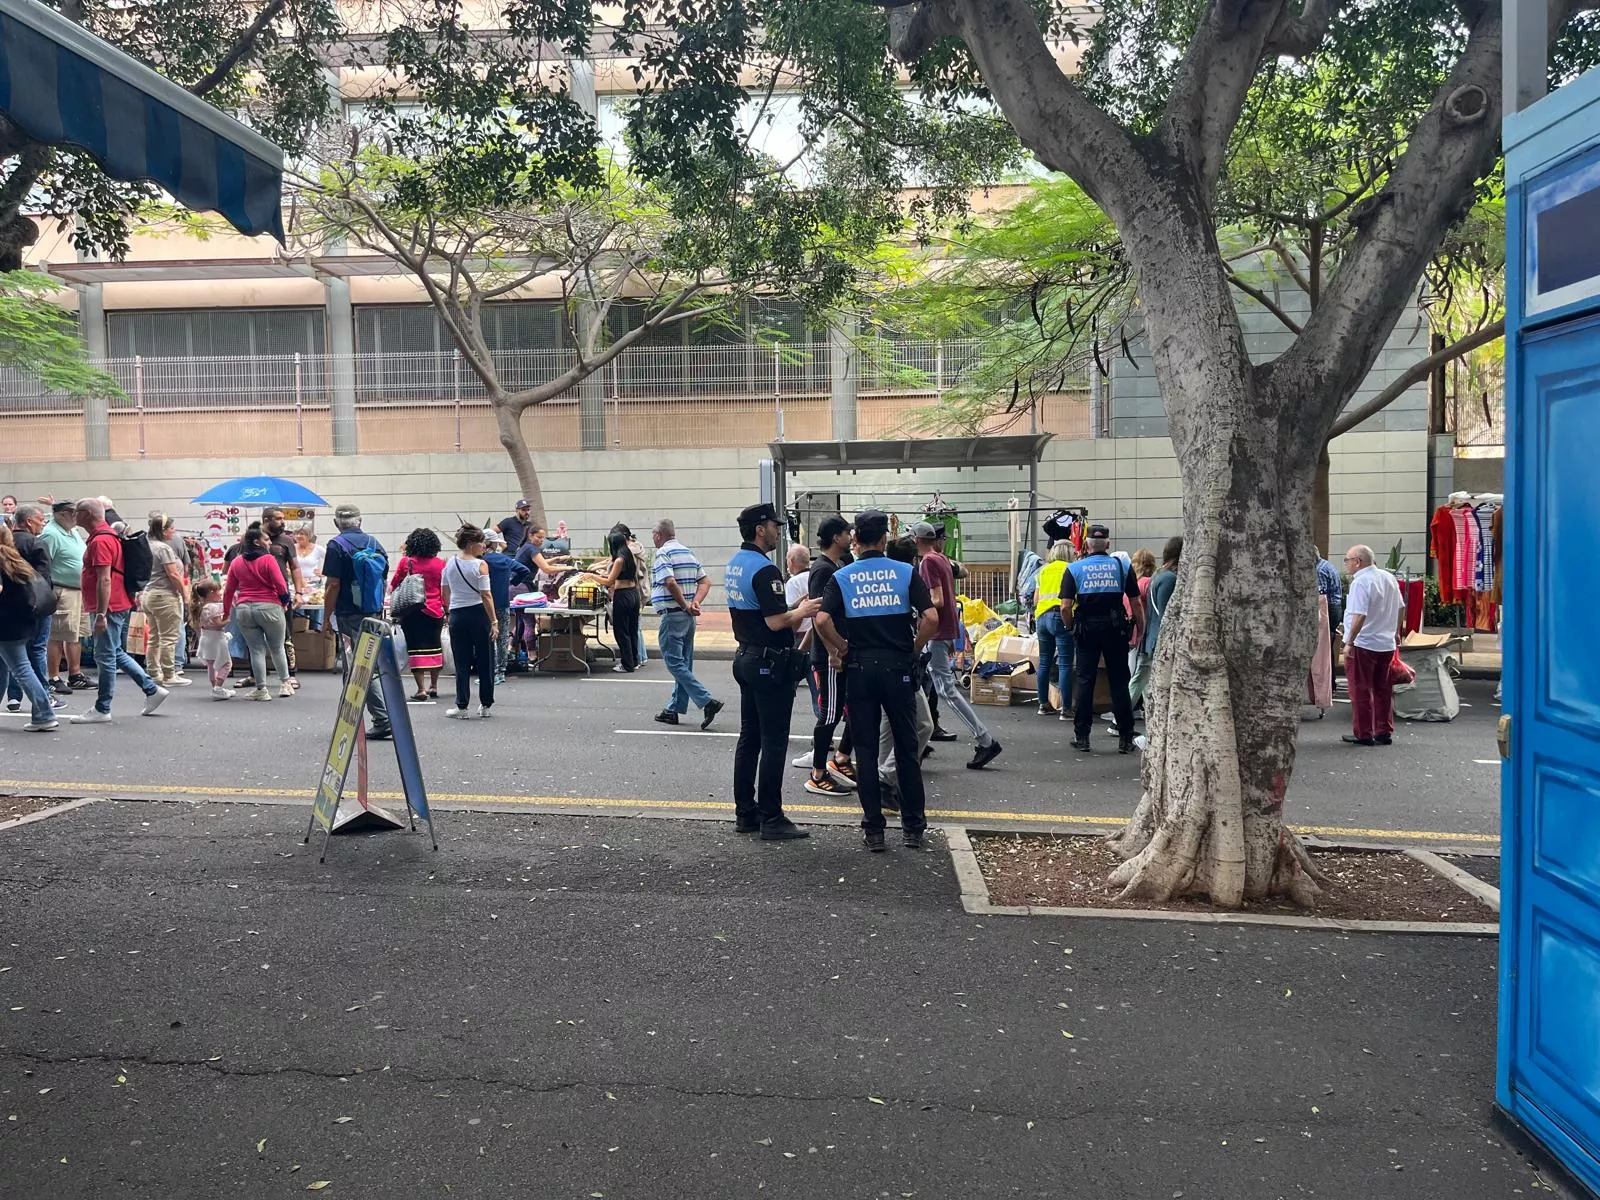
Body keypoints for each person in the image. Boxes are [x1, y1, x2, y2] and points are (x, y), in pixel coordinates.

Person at [814, 509, 939, 851]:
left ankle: (874, 831)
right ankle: (913, 827)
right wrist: (913, 648)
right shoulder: (904, 572)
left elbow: (822, 620)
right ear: (884, 539)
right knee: (906, 748)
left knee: (866, 752)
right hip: (897, 666)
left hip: (860, 668)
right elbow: (930, 617)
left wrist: (841, 649)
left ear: (855, 540)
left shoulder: (843, 577)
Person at [724, 502, 818, 840]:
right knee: (774, 741)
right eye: (775, 526)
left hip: (746, 656)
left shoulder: (736, 563)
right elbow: (776, 620)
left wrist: (792, 606)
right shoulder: (765, 569)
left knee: (749, 738)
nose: (779, 531)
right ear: (760, 529)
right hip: (768, 663)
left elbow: (757, 610)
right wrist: (802, 610)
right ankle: (772, 818)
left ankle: (745, 814)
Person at [911, 520, 1001, 770]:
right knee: (924, 686)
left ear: (917, 540)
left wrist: (916, 604)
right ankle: (920, 738)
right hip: (944, 630)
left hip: (935, 632)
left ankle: (985, 740)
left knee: (945, 690)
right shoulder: (941, 559)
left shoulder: (927, 562)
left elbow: (937, 600)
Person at [69, 498, 169, 723]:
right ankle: (152, 689)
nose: (75, 516)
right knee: (114, 652)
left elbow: (104, 579)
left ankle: (103, 707)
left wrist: (101, 615)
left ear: (87, 514)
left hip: (109, 606)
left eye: (77, 512)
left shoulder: (100, 541)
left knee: (104, 656)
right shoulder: (107, 536)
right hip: (116, 603)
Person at [1059, 523, 1144, 753]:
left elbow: (1065, 607)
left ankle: (1083, 736)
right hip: (1116, 628)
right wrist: (1140, 628)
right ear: (1107, 544)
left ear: (1086, 545)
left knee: (1086, 680)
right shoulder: (1122, 567)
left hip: (1086, 628)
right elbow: (1135, 602)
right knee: (1119, 681)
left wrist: (1070, 627)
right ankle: (1126, 737)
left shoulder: (1074, 569)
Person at [874, 535, 936, 812]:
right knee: (924, 725)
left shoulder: (882, 580)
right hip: (902, 662)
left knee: (888, 724)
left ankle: (883, 781)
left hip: (878, 661)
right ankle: (885, 777)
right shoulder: (908, 579)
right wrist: (916, 647)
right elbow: (930, 617)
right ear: (913, 560)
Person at [320, 504, 392, 739]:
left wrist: (326, 616)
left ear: (336, 523)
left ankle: (382, 718)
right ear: (360, 522)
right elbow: (383, 577)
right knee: (359, 663)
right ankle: (348, 716)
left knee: (358, 665)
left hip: (348, 612)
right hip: (372, 610)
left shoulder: (336, 545)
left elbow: (333, 584)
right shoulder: (374, 543)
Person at [798, 516, 858, 796]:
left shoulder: (838, 565)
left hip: (838, 650)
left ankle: (841, 759)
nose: (851, 537)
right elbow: (820, 617)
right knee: (830, 714)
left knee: (852, 710)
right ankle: (818, 774)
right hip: (829, 656)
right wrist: (834, 650)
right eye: (847, 533)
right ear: (836, 537)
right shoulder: (823, 570)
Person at [649, 518, 720, 728]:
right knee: (684, 663)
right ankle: (674, 709)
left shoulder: (663, 553)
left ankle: (706, 701)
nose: (653, 538)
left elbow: (669, 581)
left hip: (673, 614)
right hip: (687, 618)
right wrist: (694, 603)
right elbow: (705, 581)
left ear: (659, 535)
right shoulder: (687, 552)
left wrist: (684, 605)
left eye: (653, 534)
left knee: (674, 662)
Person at [1341, 544, 1402, 747]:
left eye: (1347, 560)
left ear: (1358, 561)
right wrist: (1396, 632)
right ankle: (1383, 730)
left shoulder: (1360, 582)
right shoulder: (1388, 577)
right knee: (1383, 688)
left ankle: (1363, 732)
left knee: (1360, 689)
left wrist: (1349, 641)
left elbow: (1360, 614)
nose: (1347, 564)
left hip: (1364, 642)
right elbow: (1401, 606)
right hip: (1386, 642)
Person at [224, 526, 293, 701]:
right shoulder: (269, 560)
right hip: (270, 606)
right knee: (277, 647)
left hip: (244, 609)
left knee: (256, 650)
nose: (270, 542)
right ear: (257, 542)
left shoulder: (236, 562)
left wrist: (226, 612)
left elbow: (229, 590)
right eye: (266, 539)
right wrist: (284, 603)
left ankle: (261, 689)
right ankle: (285, 684)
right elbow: (281, 585)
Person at [0, 523, 56, 730]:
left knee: (21, 669)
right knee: (4, 668)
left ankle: (44, 714)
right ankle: (44, 712)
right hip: (23, 621)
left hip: (6, 624)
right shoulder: (15, 560)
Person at [441, 524, 498, 718]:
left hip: (457, 614)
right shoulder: (480, 565)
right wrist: (494, 621)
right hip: (479, 614)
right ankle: (486, 705)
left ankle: (462, 706)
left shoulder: (449, 563)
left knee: (461, 661)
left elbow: (445, 592)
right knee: (485, 660)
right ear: (472, 544)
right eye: (481, 542)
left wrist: (449, 613)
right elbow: (486, 595)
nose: (484, 546)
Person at [39, 499, 89, 693]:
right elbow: (44, 563)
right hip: (61, 589)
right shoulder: (51, 534)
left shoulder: (72, 530)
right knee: (57, 635)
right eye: (73, 512)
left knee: (74, 634)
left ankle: (75, 675)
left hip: (76, 589)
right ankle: (53, 677)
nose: (77, 516)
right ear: (61, 514)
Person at [392, 528, 446, 700]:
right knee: (435, 647)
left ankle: (421, 689)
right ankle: (434, 686)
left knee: (416, 649)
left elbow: (395, 584)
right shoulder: (440, 564)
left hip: (412, 612)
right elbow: (444, 589)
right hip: (436, 611)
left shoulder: (406, 562)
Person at [1130, 536, 1181, 714]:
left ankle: (1123, 718)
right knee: (1145, 680)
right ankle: (1123, 717)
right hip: (1158, 638)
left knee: (1143, 679)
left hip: (1150, 636)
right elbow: (1165, 613)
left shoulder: (1158, 576)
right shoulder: (1168, 579)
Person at [142, 513, 192, 688]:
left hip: (149, 593)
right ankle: (169, 674)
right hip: (164, 595)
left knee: (154, 636)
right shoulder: (163, 549)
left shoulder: (146, 545)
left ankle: (154, 672)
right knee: (169, 637)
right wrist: (185, 594)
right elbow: (173, 574)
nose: (174, 531)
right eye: (171, 528)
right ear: (163, 530)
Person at [261, 507, 304, 689]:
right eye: (278, 519)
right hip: (258, 593)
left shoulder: (286, 540)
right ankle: (255, 675)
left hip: (281, 594)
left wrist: (299, 592)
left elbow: (294, 567)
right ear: (266, 519)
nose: (282, 522)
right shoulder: (253, 539)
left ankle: (291, 673)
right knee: (256, 637)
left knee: (286, 634)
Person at [482, 528, 532, 684]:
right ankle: (501, 672)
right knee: (502, 638)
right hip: (503, 603)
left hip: (484, 604)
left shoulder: (481, 561)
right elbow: (524, 570)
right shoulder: (504, 560)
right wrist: (513, 582)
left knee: (487, 638)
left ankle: (490, 672)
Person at [1032, 543, 1074, 718]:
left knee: (1044, 662)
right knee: (1064, 663)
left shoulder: (1043, 571)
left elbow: (1035, 599)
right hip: (1060, 616)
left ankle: (1043, 704)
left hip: (1041, 617)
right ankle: (1066, 709)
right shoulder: (1070, 568)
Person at [597, 528, 643, 672]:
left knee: (621, 631)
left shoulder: (619, 560)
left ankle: (627, 664)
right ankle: (634, 661)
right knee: (632, 629)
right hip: (634, 594)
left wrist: (590, 576)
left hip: (623, 595)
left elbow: (609, 581)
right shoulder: (629, 555)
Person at [190, 579, 234, 698]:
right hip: (216, 639)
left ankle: (215, 686)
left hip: (206, 638)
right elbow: (218, 624)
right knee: (227, 664)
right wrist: (227, 619)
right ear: (211, 593)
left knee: (211, 664)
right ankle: (218, 687)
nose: (220, 593)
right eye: (218, 591)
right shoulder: (213, 608)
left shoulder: (201, 607)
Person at [1315, 547, 1344, 687]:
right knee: (1329, 647)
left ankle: (1328, 683)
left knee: (1323, 649)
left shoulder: (1318, 570)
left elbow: (1320, 595)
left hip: (1328, 609)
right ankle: (1330, 683)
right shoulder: (1327, 565)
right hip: (1336, 607)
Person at [294, 525, 326, 630]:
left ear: (308, 536)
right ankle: (300, 634)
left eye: (302, 534)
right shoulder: (292, 548)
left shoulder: (318, 549)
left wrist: (324, 572)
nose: (298, 536)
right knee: (298, 611)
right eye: (297, 534)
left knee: (316, 611)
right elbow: (286, 565)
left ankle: (315, 633)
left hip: (314, 585)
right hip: (296, 585)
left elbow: (332, 561)